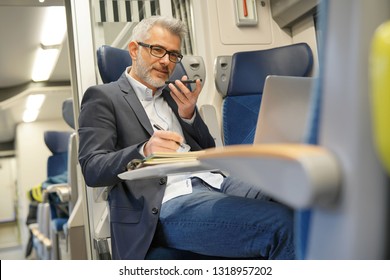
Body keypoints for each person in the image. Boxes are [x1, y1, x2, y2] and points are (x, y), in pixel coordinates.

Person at [78, 15, 295, 260]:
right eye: (158, 50)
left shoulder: (175, 95)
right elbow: (93, 168)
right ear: (134, 50)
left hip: (217, 182)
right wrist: (144, 151)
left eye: (173, 55)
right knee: (280, 224)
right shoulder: (103, 97)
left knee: (297, 196)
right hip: (166, 201)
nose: (166, 62)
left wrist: (190, 115)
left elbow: (208, 150)